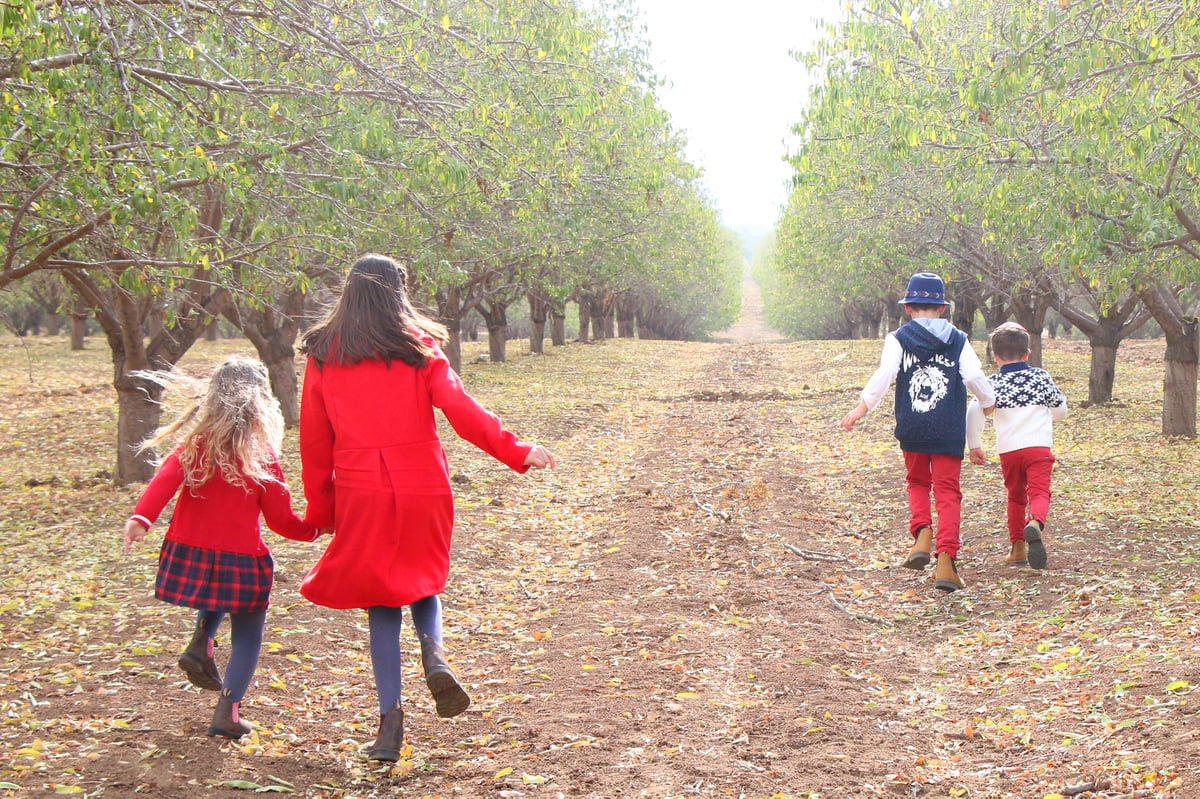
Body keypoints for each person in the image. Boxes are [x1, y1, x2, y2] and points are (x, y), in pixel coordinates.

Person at [297, 254, 557, 762]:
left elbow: (314, 440)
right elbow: (461, 409)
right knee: (425, 578)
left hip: (360, 487)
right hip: (422, 482)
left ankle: (389, 723)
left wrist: (322, 507)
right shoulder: (419, 348)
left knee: (380, 599)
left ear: (349, 292)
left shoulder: (324, 353)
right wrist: (517, 449)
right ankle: (434, 655)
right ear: (399, 293)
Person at [122, 357, 321, 738]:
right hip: (242, 559)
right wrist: (318, 529)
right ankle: (227, 713)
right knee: (248, 634)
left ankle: (202, 640)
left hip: (190, 551)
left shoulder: (194, 445)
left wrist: (140, 520)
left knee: (212, 585)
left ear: (212, 397)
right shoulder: (261, 458)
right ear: (262, 401)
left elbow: (163, 481)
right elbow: (281, 522)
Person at [840, 272, 996, 592]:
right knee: (948, 492)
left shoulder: (898, 338)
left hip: (912, 425)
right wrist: (988, 402)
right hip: (948, 429)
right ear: (942, 309)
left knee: (917, 482)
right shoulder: (959, 339)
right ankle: (946, 561)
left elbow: (885, 374)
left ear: (908, 308)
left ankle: (922, 532)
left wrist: (861, 408)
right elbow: (975, 376)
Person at [966, 322, 1067, 570]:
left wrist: (974, 444)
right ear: (1027, 354)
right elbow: (1061, 410)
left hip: (1009, 450)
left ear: (995, 356)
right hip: (1039, 448)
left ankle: (1017, 548)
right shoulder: (1041, 377)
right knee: (1040, 492)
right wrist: (1045, 416)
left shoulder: (991, 383)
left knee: (1015, 496)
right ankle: (1035, 523)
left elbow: (974, 411)